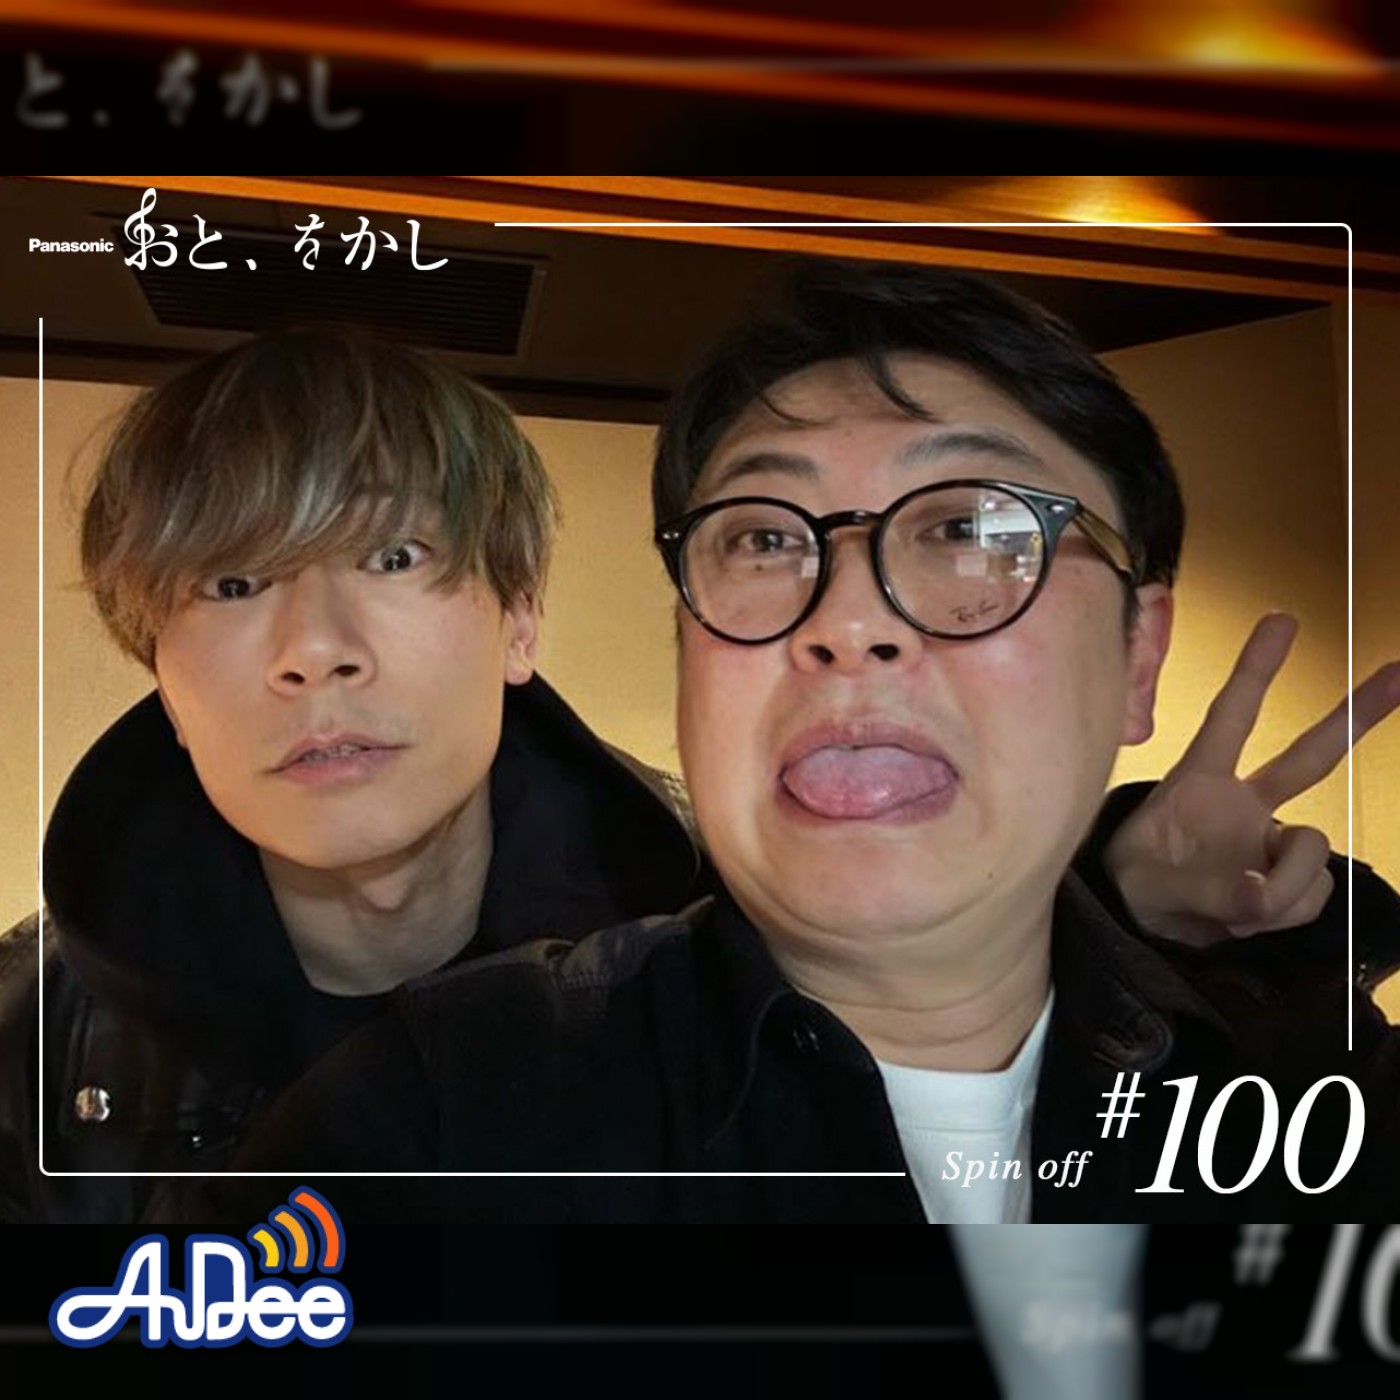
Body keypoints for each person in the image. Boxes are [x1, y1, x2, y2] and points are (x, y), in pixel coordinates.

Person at [209, 264, 1400, 1222]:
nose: (848, 617)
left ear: (1136, 658)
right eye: (765, 539)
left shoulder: (1318, 1099)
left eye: (970, 526)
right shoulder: (438, 1117)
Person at [0, 329, 706, 1222]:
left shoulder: (727, 961)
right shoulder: (30, 1040)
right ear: (165, 689)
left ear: (520, 621)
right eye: (233, 583)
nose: (315, 650)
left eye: (392, 556)